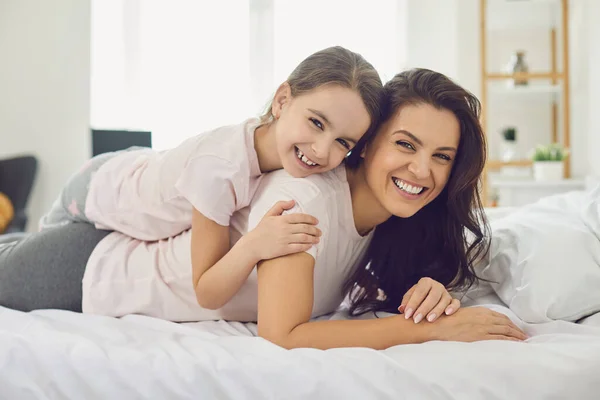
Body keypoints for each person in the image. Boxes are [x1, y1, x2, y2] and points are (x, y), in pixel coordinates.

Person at [0, 69, 528, 350]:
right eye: (406, 146)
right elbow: (285, 335)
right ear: (366, 144)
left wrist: (434, 294)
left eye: (442, 158)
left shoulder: (390, 219)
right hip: (93, 269)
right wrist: (431, 331)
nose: (422, 171)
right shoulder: (304, 203)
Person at [38, 46, 385, 310]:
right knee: (37, 244)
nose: (323, 151)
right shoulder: (221, 168)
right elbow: (207, 291)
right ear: (282, 100)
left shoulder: (288, 156)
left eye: (343, 142)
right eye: (317, 122)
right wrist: (255, 244)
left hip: (139, 180)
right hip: (102, 188)